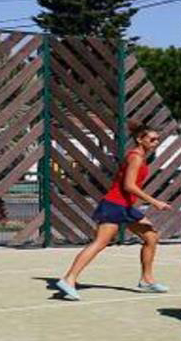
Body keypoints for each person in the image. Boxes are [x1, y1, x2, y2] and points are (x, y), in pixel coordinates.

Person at [55, 123, 170, 301]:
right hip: (114, 205)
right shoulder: (136, 158)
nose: (156, 142)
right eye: (152, 139)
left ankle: (147, 280)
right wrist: (155, 202)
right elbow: (129, 186)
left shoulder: (139, 157)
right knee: (100, 243)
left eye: (157, 140)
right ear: (140, 139)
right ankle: (68, 279)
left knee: (151, 237)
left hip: (125, 207)